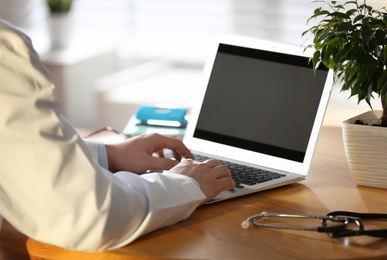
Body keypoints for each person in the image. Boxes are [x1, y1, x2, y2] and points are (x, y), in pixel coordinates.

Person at [0, 19, 235, 252]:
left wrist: (108, 154)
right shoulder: (6, 50)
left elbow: (11, 150)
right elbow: (88, 216)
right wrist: (187, 185)